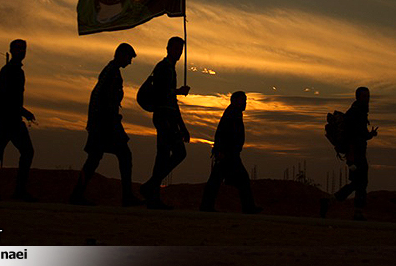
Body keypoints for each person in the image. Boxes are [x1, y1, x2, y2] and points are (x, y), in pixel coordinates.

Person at [70, 43, 143, 207]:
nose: (130, 62)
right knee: (122, 156)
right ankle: (127, 197)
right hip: (105, 125)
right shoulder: (111, 72)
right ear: (122, 55)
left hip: (105, 123)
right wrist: (97, 121)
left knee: (96, 159)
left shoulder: (112, 71)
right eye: (129, 58)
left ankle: (78, 194)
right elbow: (97, 96)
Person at [0, 39, 36, 201]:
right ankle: (17, 191)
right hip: (9, 119)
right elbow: (10, 97)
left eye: (23, 49)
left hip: (10, 118)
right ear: (12, 50)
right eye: (18, 49)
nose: (21, 52)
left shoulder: (13, 70)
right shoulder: (11, 71)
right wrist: (23, 111)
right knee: (24, 152)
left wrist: (23, 111)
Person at [140, 37, 190, 210]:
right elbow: (162, 93)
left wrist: (182, 126)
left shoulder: (170, 69)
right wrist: (178, 91)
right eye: (176, 49)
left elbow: (173, 102)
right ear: (168, 48)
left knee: (168, 155)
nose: (178, 52)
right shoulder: (163, 68)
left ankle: (151, 189)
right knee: (169, 155)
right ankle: (152, 190)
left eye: (180, 50)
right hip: (163, 117)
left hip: (169, 117)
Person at [320, 86, 378, 221]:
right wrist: (351, 159)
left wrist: (370, 135)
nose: (367, 99)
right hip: (355, 154)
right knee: (360, 182)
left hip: (359, 153)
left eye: (368, 96)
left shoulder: (361, 113)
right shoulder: (355, 113)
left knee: (359, 183)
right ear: (358, 97)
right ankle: (334, 203)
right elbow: (352, 137)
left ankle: (347, 208)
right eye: (364, 96)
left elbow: (361, 135)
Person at [200, 91, 261, 214]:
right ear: (235, 101)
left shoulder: (234, 113)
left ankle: (207, 205)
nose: (245, 103)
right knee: (240, 179)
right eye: (242, 100)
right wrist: (220, 150)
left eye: (245, 101)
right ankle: (248, 207)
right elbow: (222, 133)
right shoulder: (232, 114)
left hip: (229, 152)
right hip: (228, 153)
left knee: (218, 179)